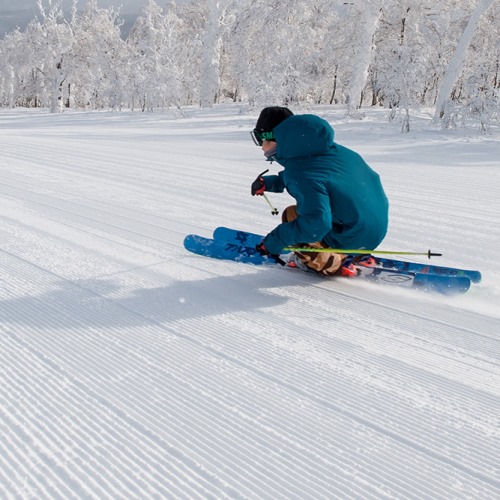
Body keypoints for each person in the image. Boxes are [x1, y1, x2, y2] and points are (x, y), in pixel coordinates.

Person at [250, 106, 389, 276]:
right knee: (318, 212)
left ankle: (335, 262)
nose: (260, 146)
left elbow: (316, 224)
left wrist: (274, 242)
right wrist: (270, 183)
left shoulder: (300, 173)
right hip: (372, 231)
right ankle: (359, 253)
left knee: (292, 215)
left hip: (351, 236)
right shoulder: (334, 151)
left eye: (261, 139)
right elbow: (318, 175)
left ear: (277, 139)